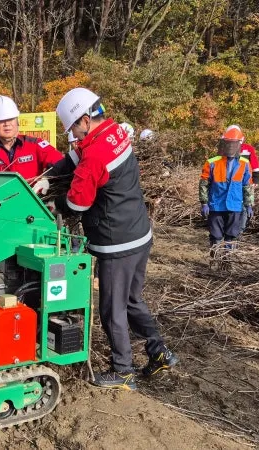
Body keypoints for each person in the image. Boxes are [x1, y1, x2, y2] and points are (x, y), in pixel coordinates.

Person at [51, 87, 177, 390]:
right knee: (132, 300)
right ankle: (159, 352)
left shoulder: (95, 154)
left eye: (73, 129)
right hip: (138, 234)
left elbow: (78, 202)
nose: (73, 135)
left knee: (112, 309)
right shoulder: (115, 132)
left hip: (116, 242)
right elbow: (76, 155)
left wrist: (55, 202)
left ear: (84, 120)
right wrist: (49, 175)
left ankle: (123, 371)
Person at [0, 95, 62, 194]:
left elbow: (59, 163)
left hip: (33, 201)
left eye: (11, 119)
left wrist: (46, 178)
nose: (7, 124)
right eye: (1, 120)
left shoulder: (35, 145)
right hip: (1, 202)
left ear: (17, 121)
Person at [199, 126, 254, 249]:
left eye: (234, 143)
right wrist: (204, 203)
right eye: (228, 143)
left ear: (239, 144)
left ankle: (228, 258)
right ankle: (216, 257)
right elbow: (204, 184)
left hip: (235, 205)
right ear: (224, 143)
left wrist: (249, 205)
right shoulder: (212, 162)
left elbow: (247, 186)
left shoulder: (245, 164)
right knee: (216, 236)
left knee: (231, 235)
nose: (231, 146)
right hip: (216, 205)